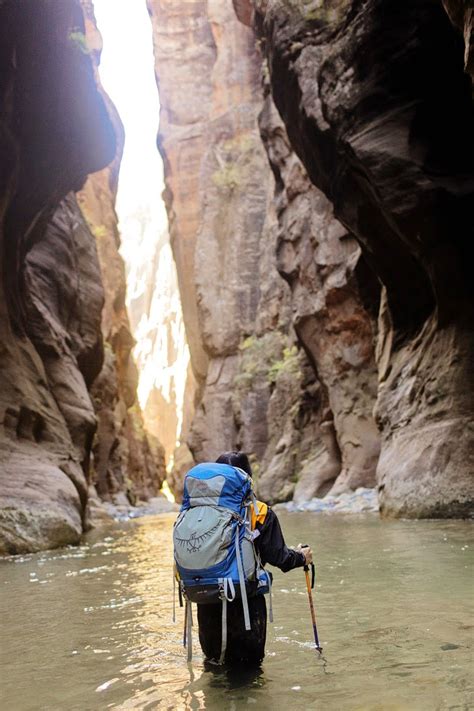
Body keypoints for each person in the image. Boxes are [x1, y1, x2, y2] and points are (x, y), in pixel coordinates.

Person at [196, 451, 313, 666]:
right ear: (249, 478)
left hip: (207, 603)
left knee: (214, 671)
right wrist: (301, 557)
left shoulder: (199, 514)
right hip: (247, 608)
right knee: (249, 675)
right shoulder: (259, 512)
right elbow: (280, 558)